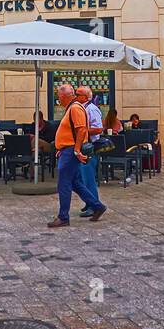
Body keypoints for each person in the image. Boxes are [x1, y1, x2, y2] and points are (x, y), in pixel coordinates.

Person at [47, 83, 106, 228]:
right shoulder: (73, 108)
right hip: (68, 149)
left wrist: (76, 150)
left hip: (71, 151)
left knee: (64, 184)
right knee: (75, 183)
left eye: (59, 96)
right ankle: (97, 206)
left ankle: (63, 217)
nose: (58, 99)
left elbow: (81, 130)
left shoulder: (75, 108)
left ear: (63, 96)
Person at [75, 84, 106, 214]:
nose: (76, 97)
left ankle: (94, 206)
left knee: (88, 178)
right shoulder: (83, 108)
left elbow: (99, 128)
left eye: (78, 94)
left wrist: (82, 131)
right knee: (82, 177)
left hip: (90, 148)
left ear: (86, 97)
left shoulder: (91, 109)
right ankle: (89, 203)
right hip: (83, 147)